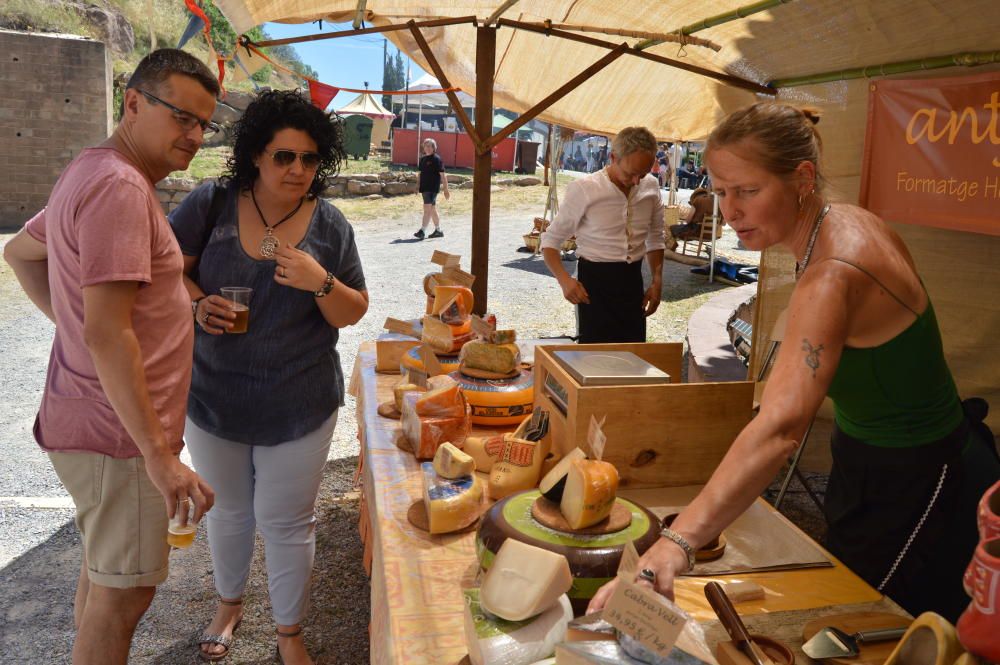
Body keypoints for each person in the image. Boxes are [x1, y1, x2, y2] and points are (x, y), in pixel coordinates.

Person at [589, 102, 999, 623]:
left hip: (924, 478)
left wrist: (677, 542)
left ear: (802, 178)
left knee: (876, 627)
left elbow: (781, 427)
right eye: (720, 192)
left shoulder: (834, 271)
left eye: (748, 191)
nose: (729, 210)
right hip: (868, 459)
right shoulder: (841, 219)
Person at [2, 49, 218, 665]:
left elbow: (21, 252)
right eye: (182, 116)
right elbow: (107, 331)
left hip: (97, 424)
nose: (195, 136)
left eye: (205, 123)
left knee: (106, 583)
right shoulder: (120, 186)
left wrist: (79, 330)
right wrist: (159, 455)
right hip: (120, 438)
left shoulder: (93, 171)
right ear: (133, 104)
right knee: (124, 598)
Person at [169, 90, 369, 664]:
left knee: (287, 522)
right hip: (215, 398)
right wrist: (196, 304)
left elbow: (352, 311)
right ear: (256, 155)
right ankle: (229, 603)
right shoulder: (212, 202)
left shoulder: (330, 225)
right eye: (284, 156)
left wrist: (319, 281)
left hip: (299, 404)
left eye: (309, 159)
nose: (298, 170)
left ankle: (289, 633)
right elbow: (168, 272)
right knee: (228, 511)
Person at [541, 126, 665, 343]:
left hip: (632, 281)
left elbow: (655, 238)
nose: (637, 181)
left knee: (633, 354)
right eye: (630, 173)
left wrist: (657, 280)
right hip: (594, 284)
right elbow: (551, 241)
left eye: (643, 174)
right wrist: (564, 280)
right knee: (594, 356)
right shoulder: (585, 189)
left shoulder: (651, 187)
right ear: (613, 157)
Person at [413, 137, 450, 239]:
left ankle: (422, 231)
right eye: (426, 146)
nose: (428, 148)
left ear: (434, 148)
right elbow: (420, 174)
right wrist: (417, 186)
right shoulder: (423, 159)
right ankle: (438, 230)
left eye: (430, 146)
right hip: (424, 188)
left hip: (432, 188)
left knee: (427, 209)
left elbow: (443, 175)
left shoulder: (437, 159)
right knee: (432, 209)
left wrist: (446, 189)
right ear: (423, 147)